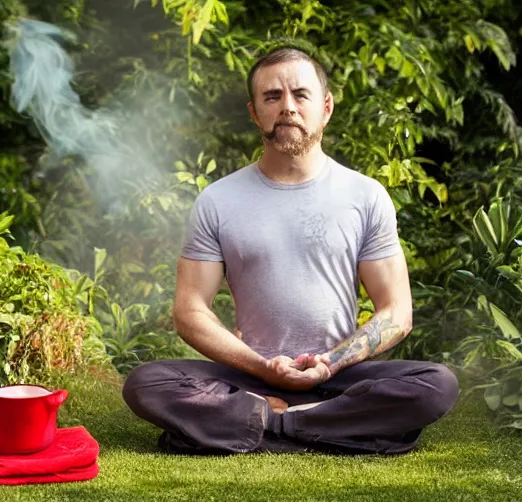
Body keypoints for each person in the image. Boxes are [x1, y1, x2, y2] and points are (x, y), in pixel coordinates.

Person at [122, 46, 459, 456]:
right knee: (147, 383)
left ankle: (269, 422)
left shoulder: (365, 196)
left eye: (301, 95)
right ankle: (335, 425)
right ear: (254, 112)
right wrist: (262, 367)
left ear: (326, 106)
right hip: (250, 376)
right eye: (272, 97)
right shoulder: (217, 201)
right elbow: (189, 311)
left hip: (338, 375)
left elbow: (397, 312)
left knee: (435, 384)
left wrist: (330, 363)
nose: (288, 107)